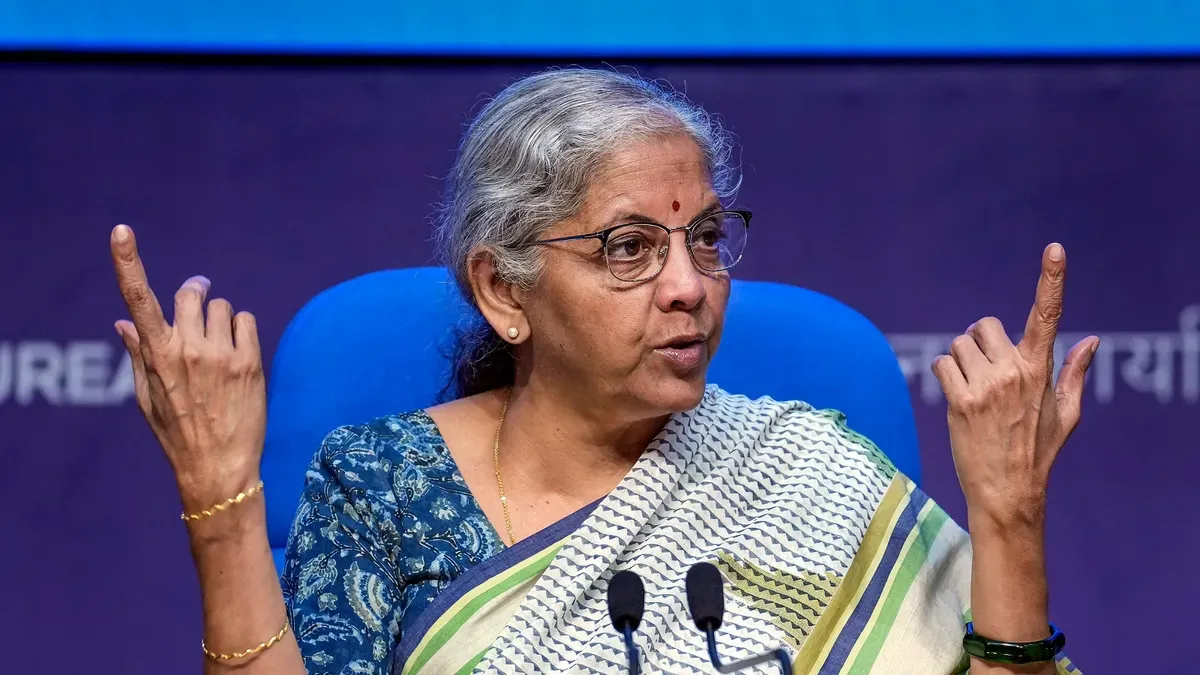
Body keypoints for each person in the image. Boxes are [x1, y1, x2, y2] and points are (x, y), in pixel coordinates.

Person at [110, 68, 1093, 674]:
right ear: (505, 291)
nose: (688, 286)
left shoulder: (804, 467)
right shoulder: (383, 487)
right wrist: (220, 503)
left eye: (705, 239)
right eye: (629, 248)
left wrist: (1009, 520)